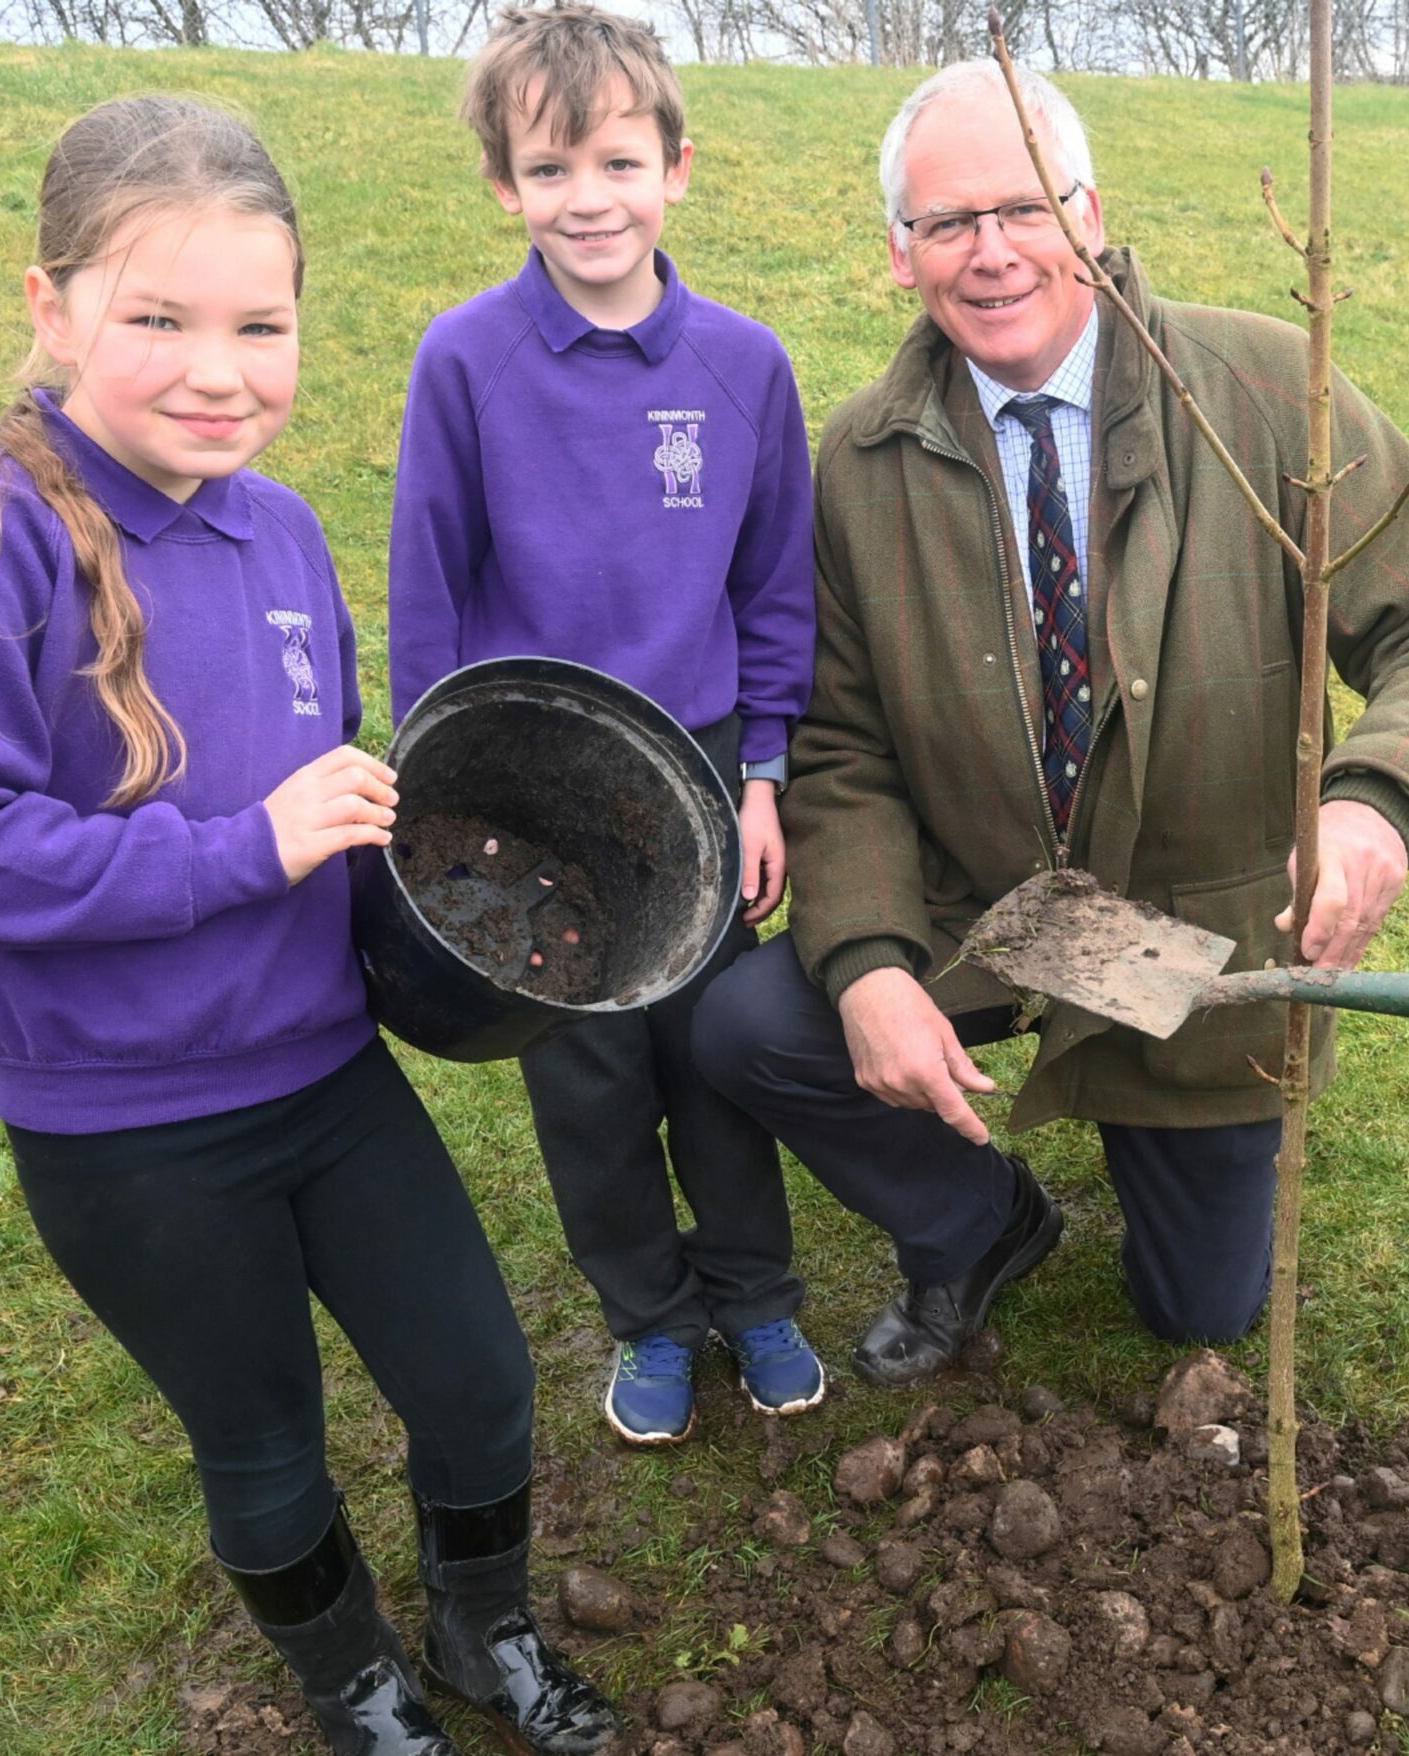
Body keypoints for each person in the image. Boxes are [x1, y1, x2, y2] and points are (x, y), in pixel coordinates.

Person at [0, 97, 627, 1756]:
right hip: (124, 1123)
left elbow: (322, 798)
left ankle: (486, 1639)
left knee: (481, 1379)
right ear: (51, 309)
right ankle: (359, 1688)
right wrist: (234, 855)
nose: (220, 371)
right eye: (159, 320)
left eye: (260, 326)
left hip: (325, 1076)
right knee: (262, 1435)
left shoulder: (274, 528)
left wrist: (467, 898)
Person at [693, 60, 1409, 1387]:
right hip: (994, 908)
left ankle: (1155, 1140)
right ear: (899, 250)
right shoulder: (857, 465)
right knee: (744, 1021)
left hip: (1193, 954)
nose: (992, 253)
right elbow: (840, 749)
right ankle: (979, 1221)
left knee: (1198, 1312)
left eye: (1024, 207)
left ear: (1089, 209)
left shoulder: (1259, 390)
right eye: (949, 223)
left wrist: (1378, 801)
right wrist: (866, 967)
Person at [389, 4, 821, 1446]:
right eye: (553, 170)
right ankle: (648, 1314)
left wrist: (765, 778)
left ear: (677, 168)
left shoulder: (744, 369)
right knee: (585, 1078)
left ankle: (755, 1292)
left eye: (620, 163)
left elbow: (773, 592)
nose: (591, 200)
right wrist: (433, 805)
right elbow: (429, 590)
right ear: (508, 189)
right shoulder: (464, 363)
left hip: (695, 777)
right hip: (528, 793)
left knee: (714, 1053)